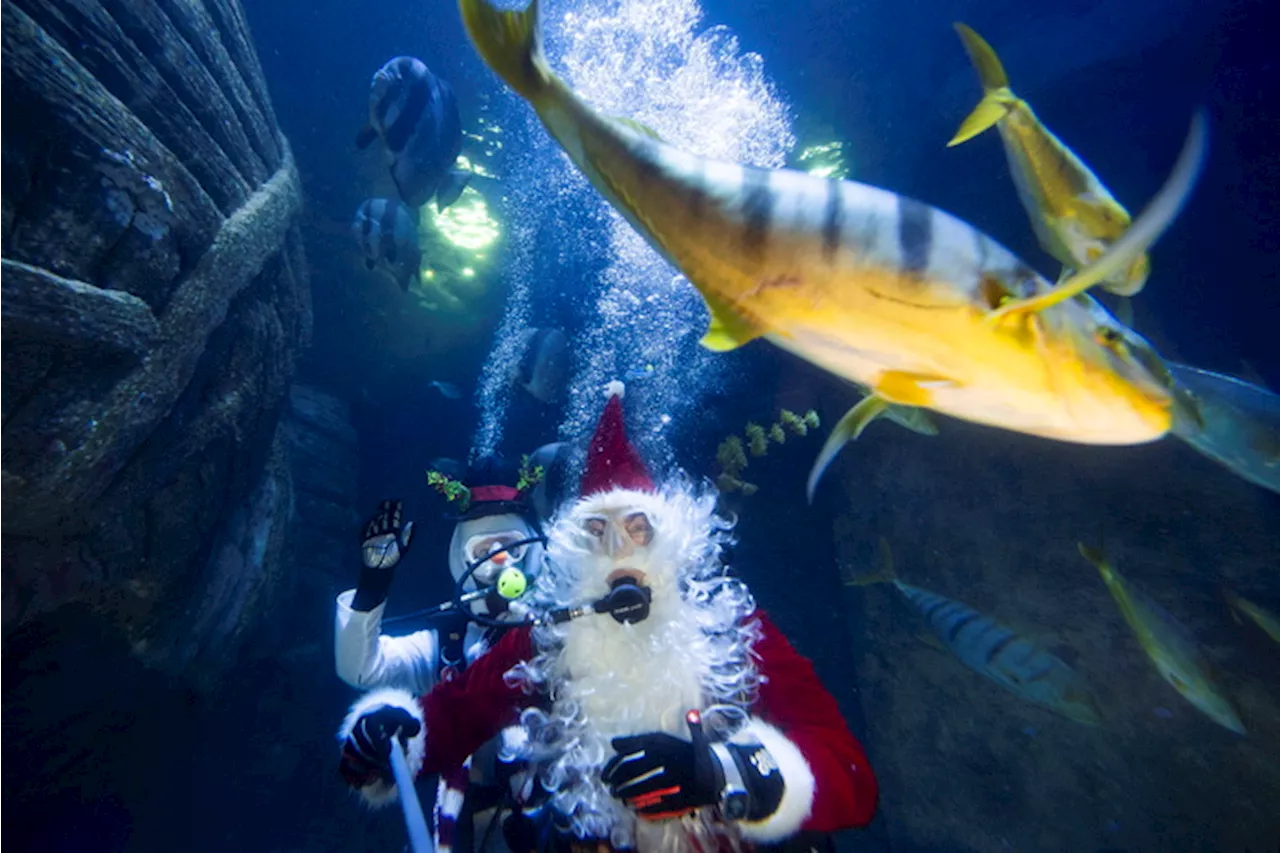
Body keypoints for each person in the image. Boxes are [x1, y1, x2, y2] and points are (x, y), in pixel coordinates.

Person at [337, 382, 878, 852]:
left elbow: (852, 778)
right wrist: (390, 739)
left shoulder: (731, 625)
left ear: (670, 535)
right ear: (574, 547)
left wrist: (725, 773)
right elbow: (455, 715)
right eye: (597, 531)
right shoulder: (548, 639)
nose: (620, 549)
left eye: (638, 526)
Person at [335, 454, 546, 853]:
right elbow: (361, 669)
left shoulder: (566, 631)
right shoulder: (446, 645)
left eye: (512, 548)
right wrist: (372, 587)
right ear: (463, 558)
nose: (501, 562)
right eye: (485, 550)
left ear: (532, 550)